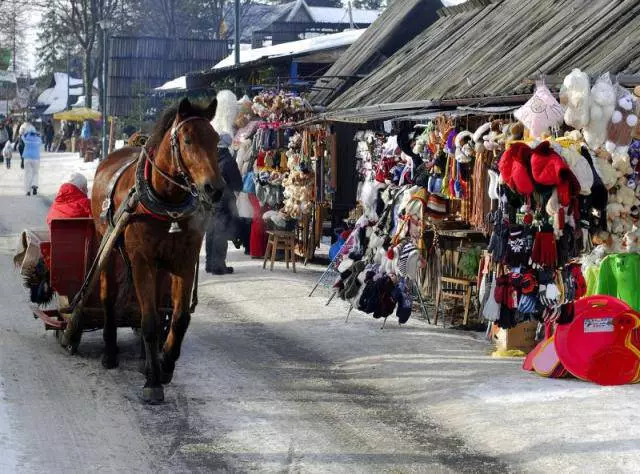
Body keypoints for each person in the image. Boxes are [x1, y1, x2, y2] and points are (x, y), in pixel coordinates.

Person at [205, 133, 243, 275]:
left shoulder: (210, 158)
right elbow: (238, 184)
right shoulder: (228, 160)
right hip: (223, 201)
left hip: (209, 200)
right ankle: (218, 266)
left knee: (211, 231)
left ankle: (209, 264)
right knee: (221, 232)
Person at [22, 129, 42, 196]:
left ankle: (27, 191)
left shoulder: (26, 139)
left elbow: (22, 137)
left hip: (27, 158)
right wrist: (38, 135)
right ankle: (34, 185)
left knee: (27, 174)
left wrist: (26, 133)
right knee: (35, 173)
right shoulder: (38, 139)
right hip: (36, 158)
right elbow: (41, 141)